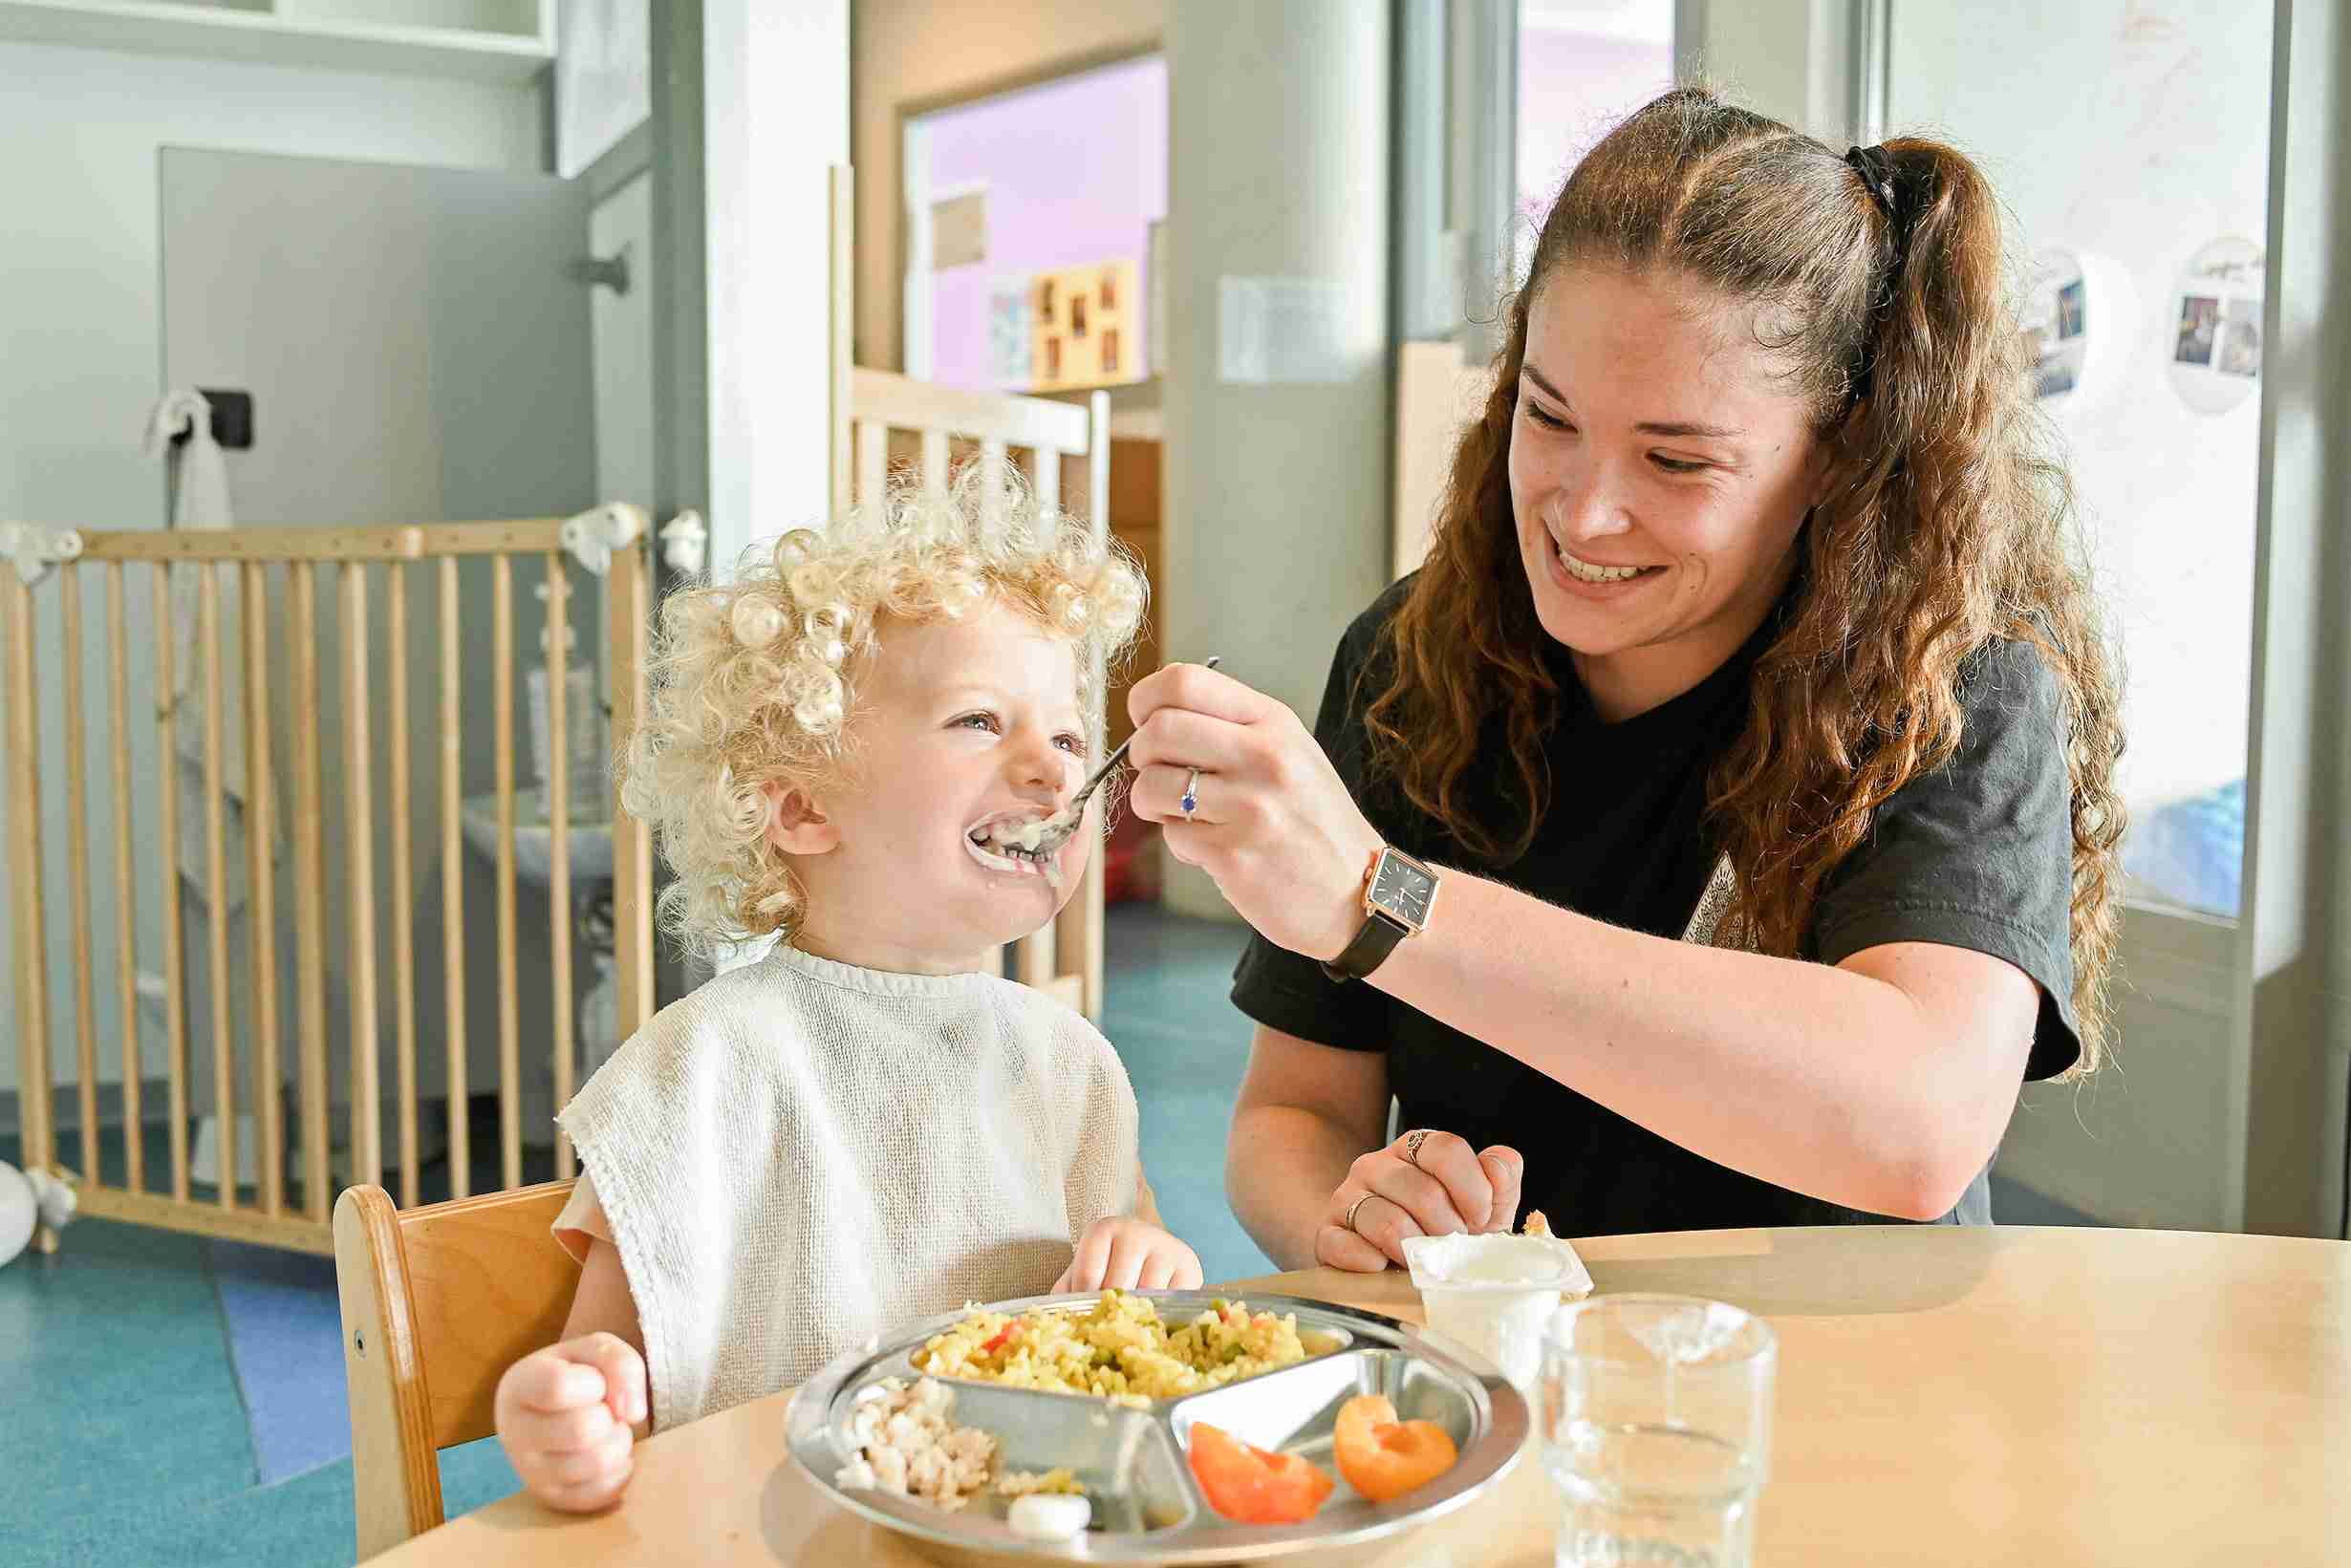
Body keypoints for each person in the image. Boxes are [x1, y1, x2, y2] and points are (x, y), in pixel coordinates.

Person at [1125, 85, 2125, 1273]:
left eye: (1676, 458)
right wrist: (1355, 1221)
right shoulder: (1410, 663)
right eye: (1548, 419)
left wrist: (1382, 902)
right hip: (1506, 1399)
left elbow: (1918, 1124)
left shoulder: (1952, 684)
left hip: (1836, 1405)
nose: (1585, 512)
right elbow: (1293, 1117)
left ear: (1839, 457)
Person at [493, 472, 1201, 1512]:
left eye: (1064, 737)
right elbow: (607, 1365)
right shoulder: (704, 1062)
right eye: (976, 721)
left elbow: (1130, 1301)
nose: (1054, 775)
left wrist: (1155, 1262)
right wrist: (564, 1411)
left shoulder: (1071, 1064)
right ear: (800, 806)